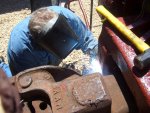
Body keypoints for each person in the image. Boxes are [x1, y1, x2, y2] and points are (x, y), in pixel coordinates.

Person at [7, 6, 98, 75]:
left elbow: (88, 41)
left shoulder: (68, 18)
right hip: (30, 62)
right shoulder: (21, 51)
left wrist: (97, 54)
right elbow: (30, 81)